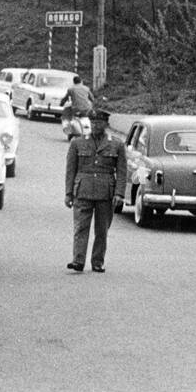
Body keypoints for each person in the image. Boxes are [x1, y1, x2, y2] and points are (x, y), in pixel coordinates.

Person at [64, 109, 127, 273]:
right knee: (80, 227)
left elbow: (121, 171)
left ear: (106, 124)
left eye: (99, 122)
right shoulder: (77, 143)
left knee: (102, 230)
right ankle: (78, 260)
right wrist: (68, 193)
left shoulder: (117, 144)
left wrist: (119, 193)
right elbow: (70, 170)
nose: (95, 125)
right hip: (82, 191)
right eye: (92, 122)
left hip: (105, 193)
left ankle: (98, 261)